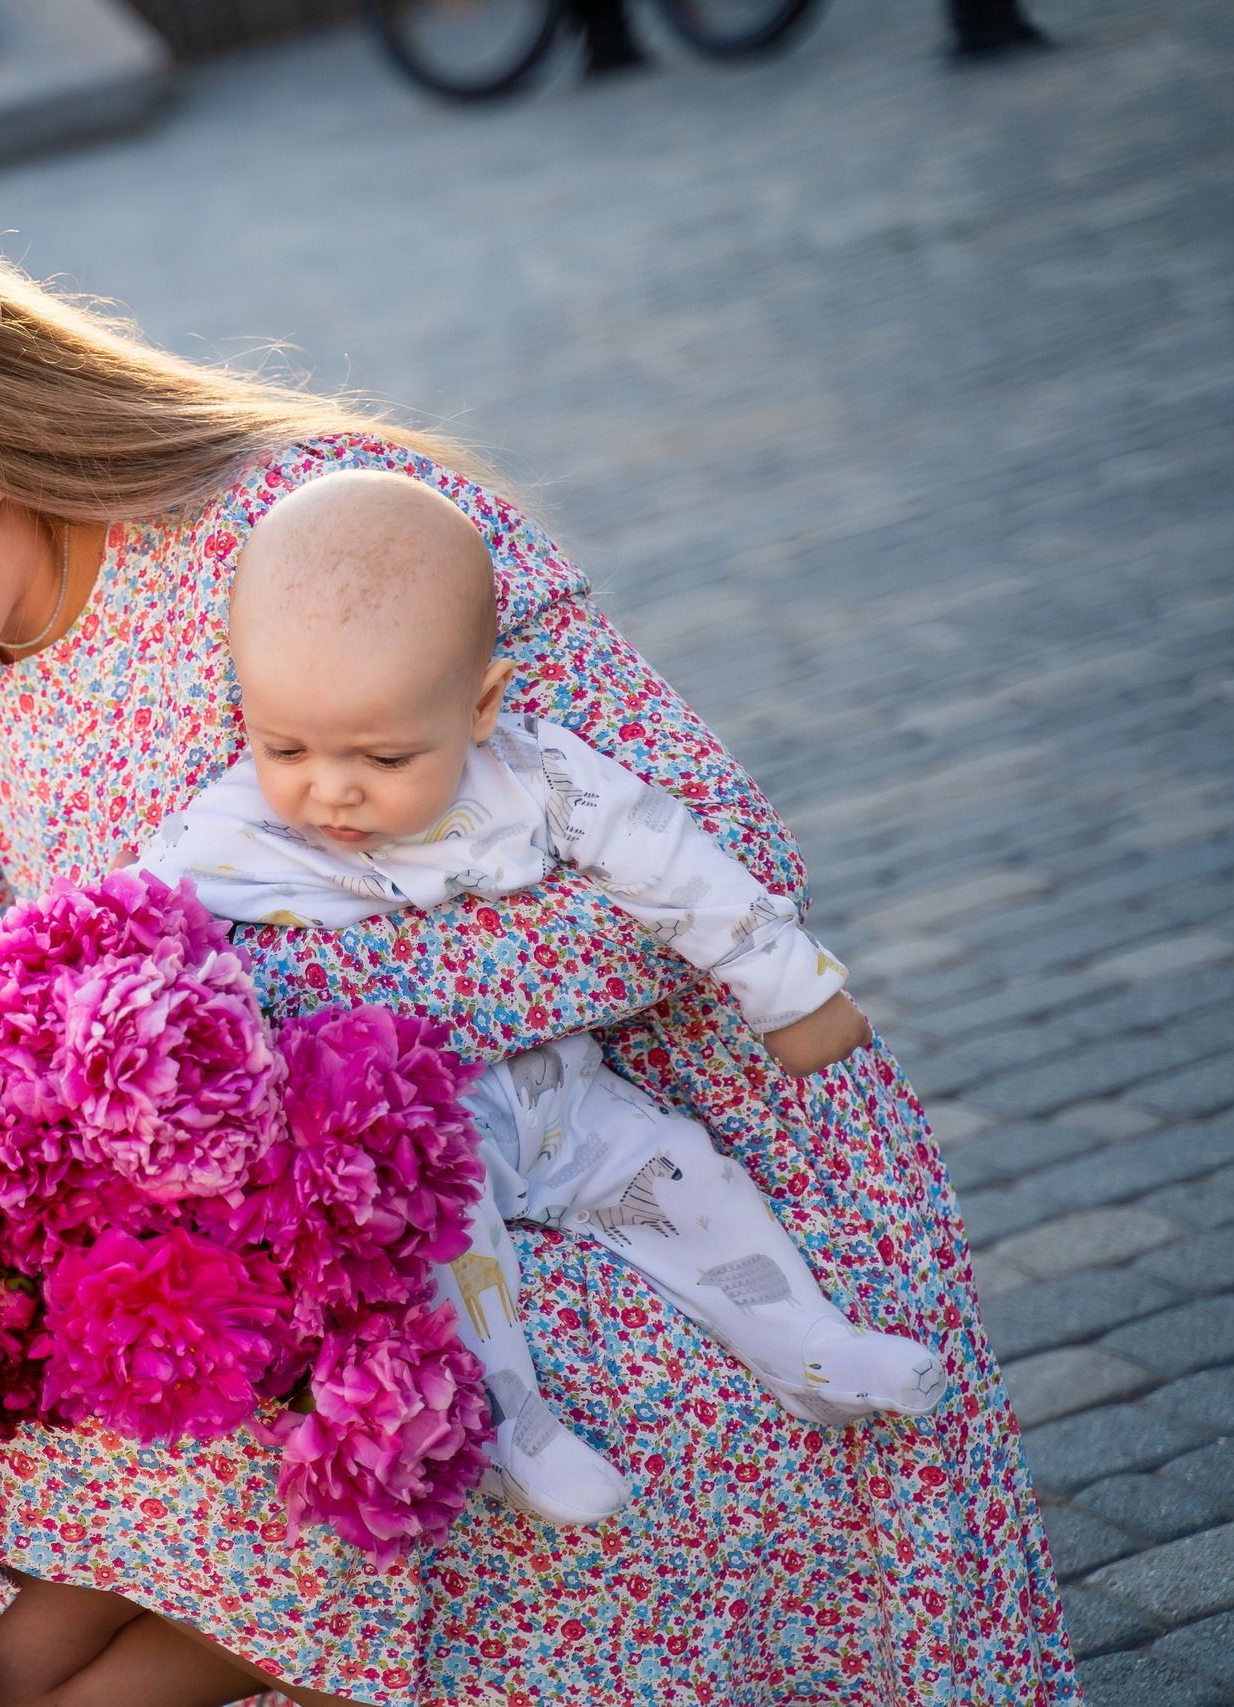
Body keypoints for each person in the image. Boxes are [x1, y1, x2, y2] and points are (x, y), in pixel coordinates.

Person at [0, 206, 1074, 1704]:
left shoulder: (321, 545)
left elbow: (702, 872)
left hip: (574, 1166)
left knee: (242, 1489)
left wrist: (225, 1034)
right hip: (225, 1218)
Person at [135, 469, 946, 1531]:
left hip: (562, 1096)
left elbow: (673, 862)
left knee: (685, 1176)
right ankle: (518, 1428)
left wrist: (788, 990)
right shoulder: (229, 830)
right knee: (438, 1258)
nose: (328, 789)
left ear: (478, 705)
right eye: (285, 746)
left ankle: (803, 1342)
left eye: (383, 756)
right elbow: (145, 951)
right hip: (416, 1135)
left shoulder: (534, 780)